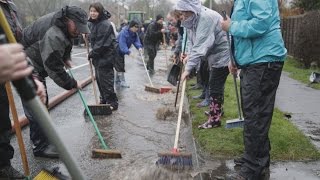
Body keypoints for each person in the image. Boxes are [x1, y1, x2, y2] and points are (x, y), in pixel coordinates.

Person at [221, 0, 287, 179]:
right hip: (255, 60)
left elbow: (261, 24)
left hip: (264, 60)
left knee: (256, 115)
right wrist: (235, 59)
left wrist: (232, 26)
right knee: (255, 114)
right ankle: (256, 160)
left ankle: (253, 168)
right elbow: (246, 30)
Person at [20, 5, 89, 159]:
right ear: (68, 20)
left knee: (41, 105)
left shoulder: (63, 24)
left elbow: (67, 43)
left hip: (36, 60)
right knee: (37, 105)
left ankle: (43, 140)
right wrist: (72, 83)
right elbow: (53, 67)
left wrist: (65, 58)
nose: (79, 30)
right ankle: (40, 147)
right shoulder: (54, 33)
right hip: (26, 63)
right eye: (77, 26)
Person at [0, 0, 45, 178]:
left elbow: (15, 46)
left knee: (2, 121)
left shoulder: (11, 8)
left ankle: (3, 167)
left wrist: (31, 76)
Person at [177, 0, 230, 128]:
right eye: (182, 13)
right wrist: (188, 55)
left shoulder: (206, 18)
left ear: (192, 10)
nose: (183, 17)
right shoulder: (192, 21)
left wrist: (187, 69)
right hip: (213, 55)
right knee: (216, 84)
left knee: (214, 85)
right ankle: (217, 111)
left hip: (223, 53)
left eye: (185, 13)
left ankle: (214, 120)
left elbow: (200, 45)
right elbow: (192, 42)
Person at [88, 2, 119, 109]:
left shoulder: (105, 24)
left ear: (100, 12)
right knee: (99, 80)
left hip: (106, 57)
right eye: (91, 11)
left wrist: (92, 53)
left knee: (106, 81)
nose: (92, 13)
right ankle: (104, 100)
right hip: (98, 58)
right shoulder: (92, 23)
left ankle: (112, 103)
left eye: (95, 11)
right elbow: (92, 37)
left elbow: (102, 43)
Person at [116, 20, 143, 88]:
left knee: (119, 64)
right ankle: (122, 81)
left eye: (138, 27)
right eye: (135, 27)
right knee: (120, 65)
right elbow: (122, 44)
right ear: (131, 26)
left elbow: (136, 41)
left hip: (122, 50)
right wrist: (128, 52)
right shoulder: (124, 33)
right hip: (116, 48)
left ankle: (117, 80)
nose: (137, 29)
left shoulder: (134, 33)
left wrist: (139, 47)